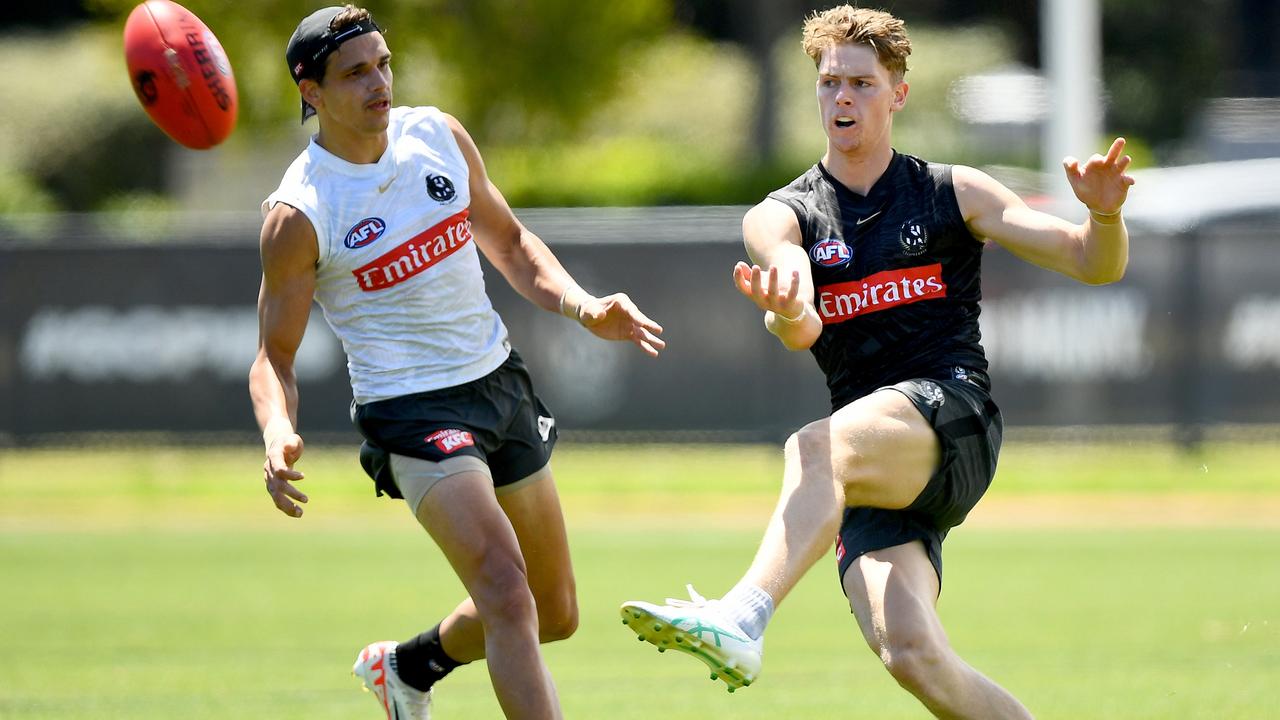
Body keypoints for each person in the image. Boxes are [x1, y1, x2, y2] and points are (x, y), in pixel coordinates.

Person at [620, 5, 1132, 718]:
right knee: (913, 656)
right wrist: (789, 303)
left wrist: (1103, 218)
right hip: (869, 461)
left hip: (953, 416)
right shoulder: (783, 214)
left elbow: (1090, 264)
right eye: (830, 83)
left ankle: (741, 616)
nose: (842, 98)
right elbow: (795, 311)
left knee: (813, 446)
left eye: (861, 82)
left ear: (898, 93)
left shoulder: (953, 193)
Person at [248, 6, 665, 720]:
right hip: (411, 410)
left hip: (497, 383)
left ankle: (407, 666)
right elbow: (272, 356)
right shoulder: (301, 212)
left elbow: (509, 241)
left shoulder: (436, 135)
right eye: (355, 74)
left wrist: (582, 305)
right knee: (506, 590)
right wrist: (275, 429)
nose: (379, 83)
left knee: (553, 610)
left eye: (383, 64)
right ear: (310, 91)